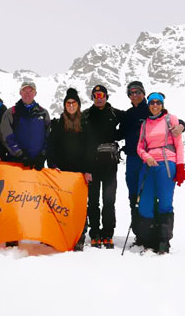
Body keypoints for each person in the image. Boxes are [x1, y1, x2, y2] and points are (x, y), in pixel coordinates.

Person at [119, 80, 185, 242]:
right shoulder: (127, 114)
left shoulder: (150, 110)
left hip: (151, 161)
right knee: (136, 196)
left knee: (157, 196)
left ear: (144, 94)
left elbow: (173, 124)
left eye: (138, 92)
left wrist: (182, 125)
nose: (135, 95)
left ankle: (159, 235)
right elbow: (118, 133)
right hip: (135, 159)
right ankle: (140, 234)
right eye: (131, 93)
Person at [136, 92, 185, 254]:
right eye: (152, 102)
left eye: (158, 103)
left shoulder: (171, 120)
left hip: (167, 164)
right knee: (145, 203)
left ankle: (163, 242)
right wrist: (146, 157)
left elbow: (179, 145)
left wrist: (180, 167)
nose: (154, 105)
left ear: (162, 104)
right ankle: (148, 241)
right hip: (148, 165)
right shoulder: (145, 124)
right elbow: (140, 147)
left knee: (165, 203)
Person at [46, 88, 91, 251]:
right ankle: (58, 234)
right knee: (59, 204)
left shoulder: (85, 124)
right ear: (65, 105)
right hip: (61, 172)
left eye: (74, 103)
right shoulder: (58, 124)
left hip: (79, 173)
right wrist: (52, 165)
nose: (71, 105)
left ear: (78, 105)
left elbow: (89, 148)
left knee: (79, 205)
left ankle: (79, 236)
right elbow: (50, 146)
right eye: (68, 103)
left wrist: (87, 169)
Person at [82, 84, 123, 249]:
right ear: (92, 97)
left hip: (110, 164)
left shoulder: (115, 113)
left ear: (106, 97)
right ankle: (95, 234)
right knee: (92, 202)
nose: (99, 98)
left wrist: (118, 135)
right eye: (96, 95)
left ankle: (108, 234)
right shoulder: (85, 115)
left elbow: (134, 120)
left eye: (102, 95)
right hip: (92, 164)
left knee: (109, 201)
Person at [0, 81, 50, 170]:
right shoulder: (11, 113)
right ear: (20, 93)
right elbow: (6, 136)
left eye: (30, 91)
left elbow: (48, 136)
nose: (27, 94)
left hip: (37, 165)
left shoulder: (43, 113)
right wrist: (20, 154)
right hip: (16, 163)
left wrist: (42, 155)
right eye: (25, 91)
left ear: (35, 93)